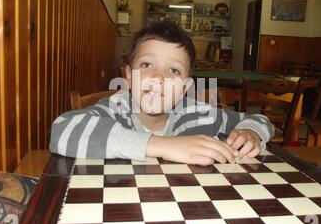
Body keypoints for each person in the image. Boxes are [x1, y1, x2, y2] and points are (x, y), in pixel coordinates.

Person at [49, 22, 274, 165]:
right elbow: (62, 129)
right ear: (128, 76)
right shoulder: (117, 107)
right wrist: (165, 145)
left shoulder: (194, 113)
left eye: (173, 70)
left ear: (185, 88)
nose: (158, 77)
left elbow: (260, 120)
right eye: (147, 65)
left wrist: (249, 133)